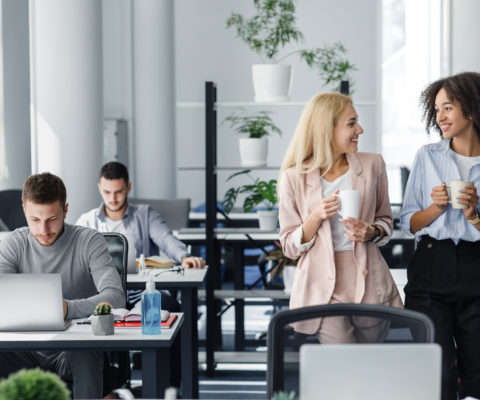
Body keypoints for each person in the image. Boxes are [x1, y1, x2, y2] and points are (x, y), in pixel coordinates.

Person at [278, 92, 402, 343]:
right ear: (327, 129)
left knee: (370, 363)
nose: (360, 129)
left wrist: (372, 231)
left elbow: (386, 221)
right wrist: (315, 217)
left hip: (369, 280)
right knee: (343, 359)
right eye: (351, 123)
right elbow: (289, 246)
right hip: (322, 285)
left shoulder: (373, 165)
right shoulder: (294, 177)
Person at [0, 172, 125, 399]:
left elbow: (115, 296)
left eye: (52, 219)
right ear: (24, 210)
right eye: (35, 220)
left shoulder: (89, 241)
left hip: (74, 350)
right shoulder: (13, 244)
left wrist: (68, 308)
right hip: (22, 351)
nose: (44, 231)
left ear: (65, 210)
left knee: (85, 353)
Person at [400, 71, 480, 400]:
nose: (440, 116)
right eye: (436, 109)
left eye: (448, 107)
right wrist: (436, 208)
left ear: (472, 109)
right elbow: (409, 223)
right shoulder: (427, 156)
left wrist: (474, 216)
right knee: (436, 369)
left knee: (478, 371)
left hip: (477, 268)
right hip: (431, 267)